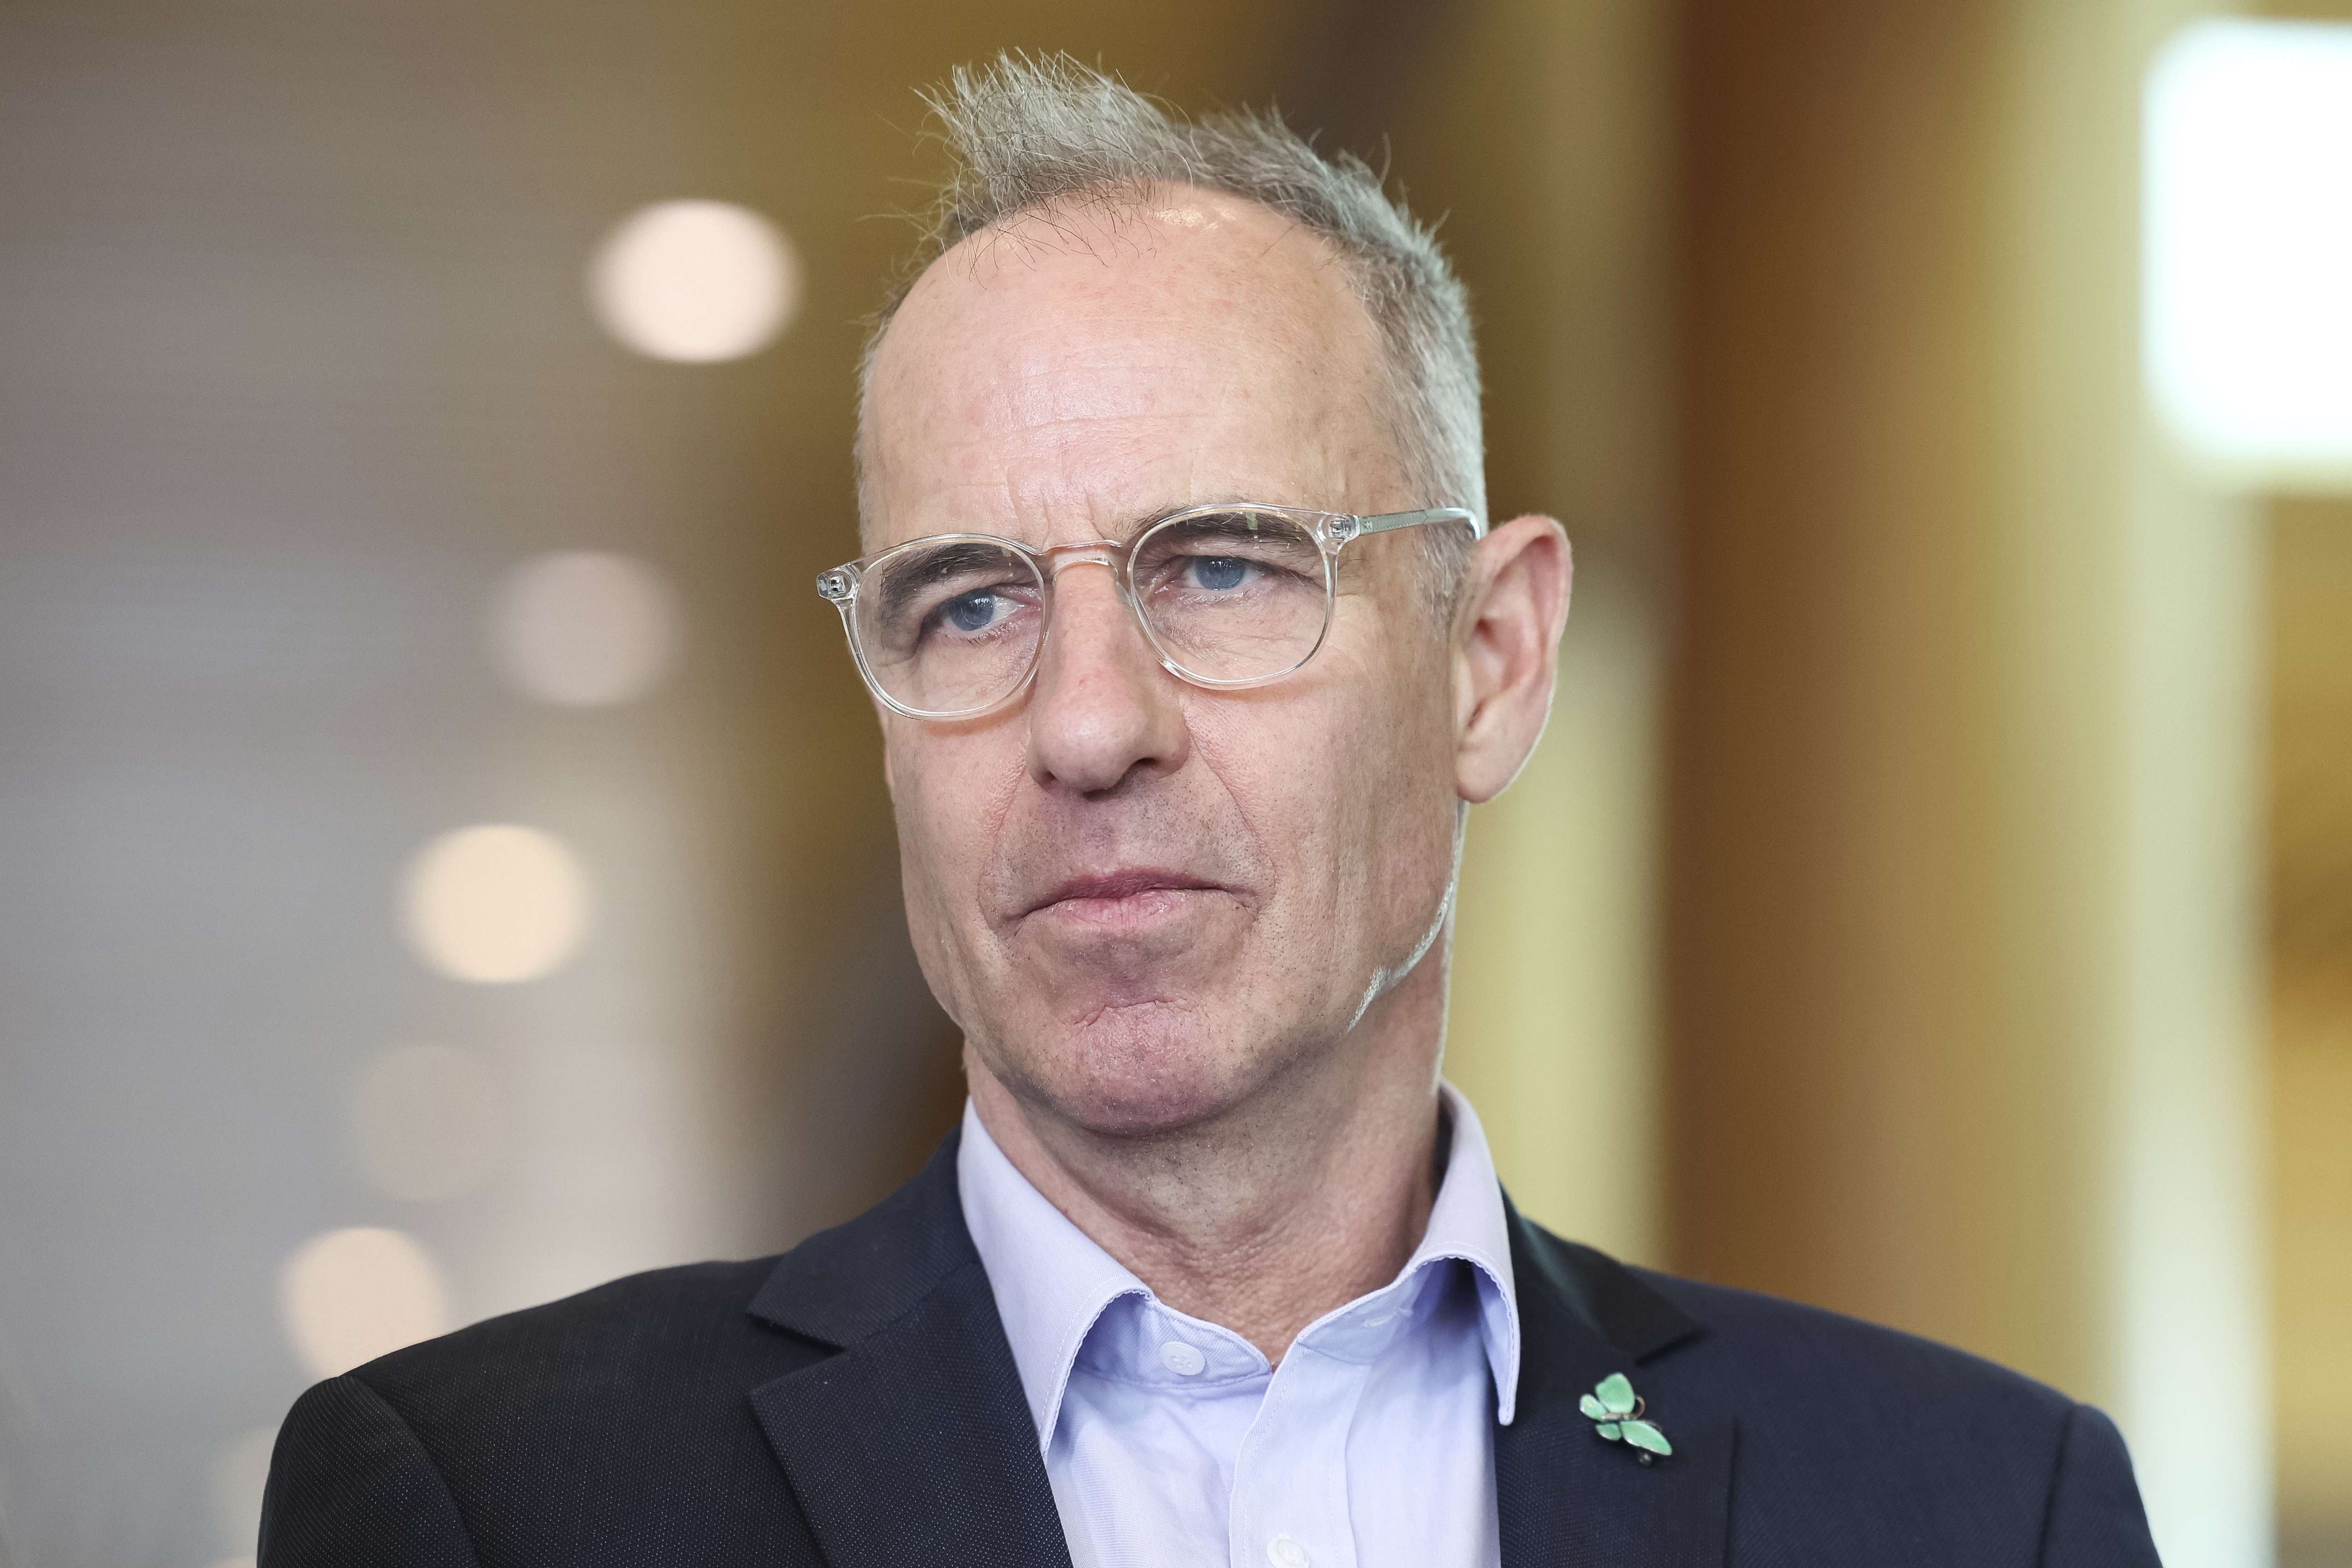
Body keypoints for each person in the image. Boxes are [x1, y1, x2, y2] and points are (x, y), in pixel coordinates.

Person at [260, 53, 2161, 1568]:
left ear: (1488, 660)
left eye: (1225, 569)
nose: (1087, 724)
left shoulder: (1983, 1513)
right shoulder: (499, 1506)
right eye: (972, 601)